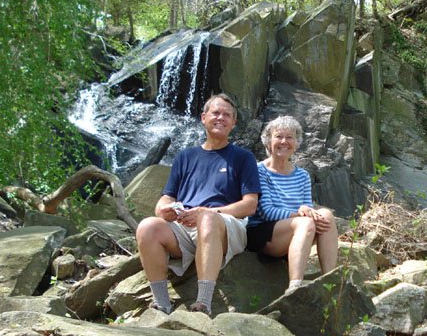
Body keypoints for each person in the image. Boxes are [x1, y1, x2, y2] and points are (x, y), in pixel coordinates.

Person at [136, 94, 261, 316]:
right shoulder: (186, 156)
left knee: (208, 219)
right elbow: (167, 197)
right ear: (204, 118)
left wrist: (206, 213)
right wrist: (164, 210)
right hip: (185, 226)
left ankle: (202, 304)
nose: (221, 118)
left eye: (227, 115)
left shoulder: (244, 158)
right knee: (147, 226)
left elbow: (250, 205)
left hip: (226, 226)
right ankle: (161, 304)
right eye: (216, 113)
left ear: (233, 123)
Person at [246, 115, 338, 292]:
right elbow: (266, 212)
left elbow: (307, 208)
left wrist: (306, 211)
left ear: (296, 143)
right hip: (263, 235)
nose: (284, 142)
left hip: (296, 230)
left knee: (326, 215)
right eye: (278, 136)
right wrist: (300, 213)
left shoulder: (302, 175)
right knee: (306, 221)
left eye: (290, 137)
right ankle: (295, 287)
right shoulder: (259, 171)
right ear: (268, 141)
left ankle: (329, 281)